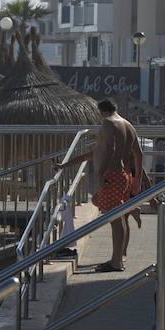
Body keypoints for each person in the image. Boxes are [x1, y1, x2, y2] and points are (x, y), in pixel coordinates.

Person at [57, 100, 143, 273]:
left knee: (115, 219)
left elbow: (110, 150)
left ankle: (116, 262)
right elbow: (138, 153)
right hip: (124, 176)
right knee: (108, 208)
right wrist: (137, 180)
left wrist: (101, 174)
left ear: (100, 111)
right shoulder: (128, 125)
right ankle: (118, 257)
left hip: (112, 174)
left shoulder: (108, 123)